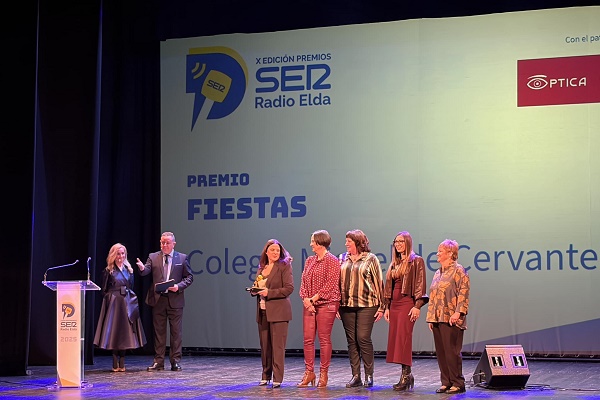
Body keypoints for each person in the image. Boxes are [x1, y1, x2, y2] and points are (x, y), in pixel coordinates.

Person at [136, 231, 194, 372]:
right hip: (158, 299)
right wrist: (142, 268)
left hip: (175, 299)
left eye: (167, 243)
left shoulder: (182, 258)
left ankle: (175, 361)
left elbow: (189, 277)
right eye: (162, 242)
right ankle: (159, 362)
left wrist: (178, 286)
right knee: (159, 332)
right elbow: (146, 271)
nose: (164, 245)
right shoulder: (153, 257)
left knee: (176, 333)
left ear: (174, 244)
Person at [338, 229, 385, 388]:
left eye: (349, 241)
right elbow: (337, 283)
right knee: (351, 341)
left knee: (363, 338)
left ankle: (369, 375)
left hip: (367, 304)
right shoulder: (342, 258)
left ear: (358, 243)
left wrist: (382, 306)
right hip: (346, 305)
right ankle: (356, 375)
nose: (346, 244)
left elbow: (378, 283)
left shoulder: (371, 259)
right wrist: (337, 304)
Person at [383, 231, 429, 391]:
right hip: (394, 305)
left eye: (401, 241)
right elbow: (389, 287)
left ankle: (406, 375)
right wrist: (386, 307)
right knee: (396, 339)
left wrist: (417, 306)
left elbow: (420, 284)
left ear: (408, 242)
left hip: (407, 304)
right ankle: (406, 375)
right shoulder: (394, 263)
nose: (398, 244)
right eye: (396, 241)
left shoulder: (416, 261)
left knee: (404, 339)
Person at [297, 230, 341, 388]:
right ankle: (309, 372)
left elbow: (331, 284)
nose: (311, 244)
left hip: (327, 303)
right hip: (309, 304)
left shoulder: (333, 261)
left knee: (324, 339)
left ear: (320, 242)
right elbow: (303, 281)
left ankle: (324, 373)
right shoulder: (310, 260)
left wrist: (314, 298)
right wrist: (305, 299)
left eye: (313, 241)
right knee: (308, 339)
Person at [426, 239, 470, 394]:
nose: (437, 254)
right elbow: (433, 296)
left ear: (450, 253)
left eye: (440, 251)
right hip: (437, 318)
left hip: (452, 318)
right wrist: (431, 317)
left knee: (452, 352)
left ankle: (458, 382)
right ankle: (446, 381)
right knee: (442, 352)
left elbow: (463, 293)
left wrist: (458, 312)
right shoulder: (438, 272)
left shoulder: (459, 271)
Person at [94, 243, 147, 372]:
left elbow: (131, 286)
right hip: (114, 303)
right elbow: (104, 289)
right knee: (114, 331)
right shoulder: (108, 270)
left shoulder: (129, 270)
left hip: (127, 302)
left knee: (125, 332)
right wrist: (111, 299)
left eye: (123, 253)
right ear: (113, 255)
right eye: (118, 254)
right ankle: (114, 362)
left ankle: (122, 362)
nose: (121, 256)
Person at [250, 239, 294, 388]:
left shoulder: (284, 266)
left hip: (279, 312)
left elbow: (289, 288)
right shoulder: (262, 267)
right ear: (266, 252)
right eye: (272, 250)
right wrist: (254, 290)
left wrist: (269, 292)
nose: (275, 252)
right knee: (265, 346)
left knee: (277, 347)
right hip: (263, 311)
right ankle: (265, 375)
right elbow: (258, 285)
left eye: (277, 250)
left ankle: (277, 378)